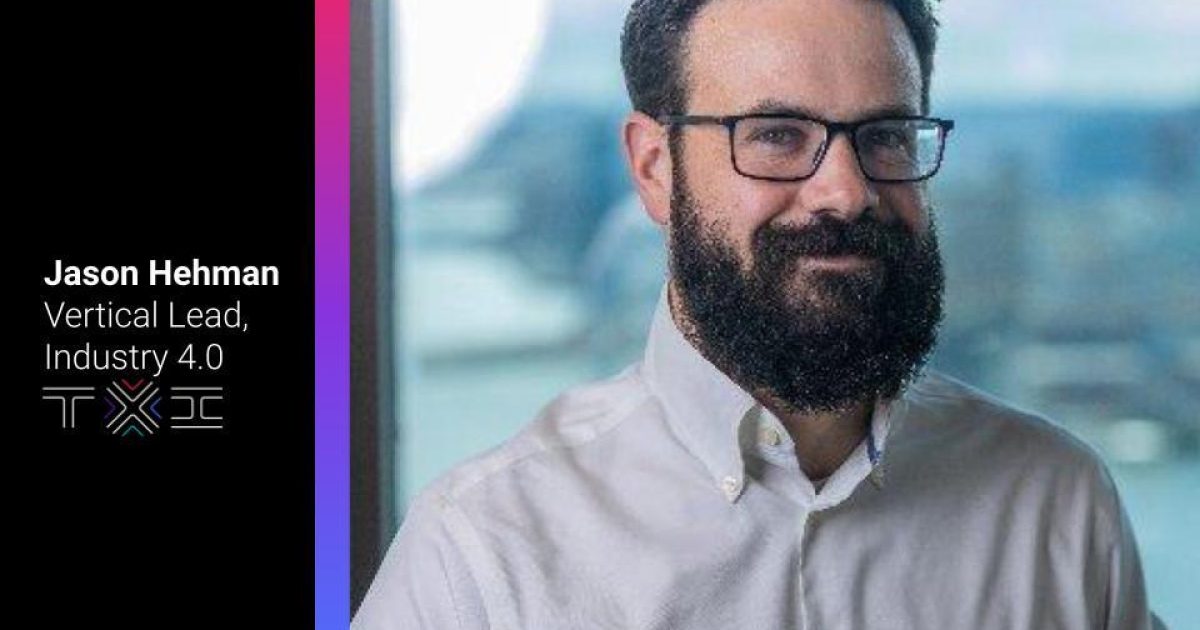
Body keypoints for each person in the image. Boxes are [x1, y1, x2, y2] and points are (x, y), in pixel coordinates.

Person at [353, 0, 1154, 627]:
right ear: (655, 167)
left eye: (884, 136)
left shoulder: (1057, 506)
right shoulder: (484, 557)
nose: (846, 191)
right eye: (776, 135)